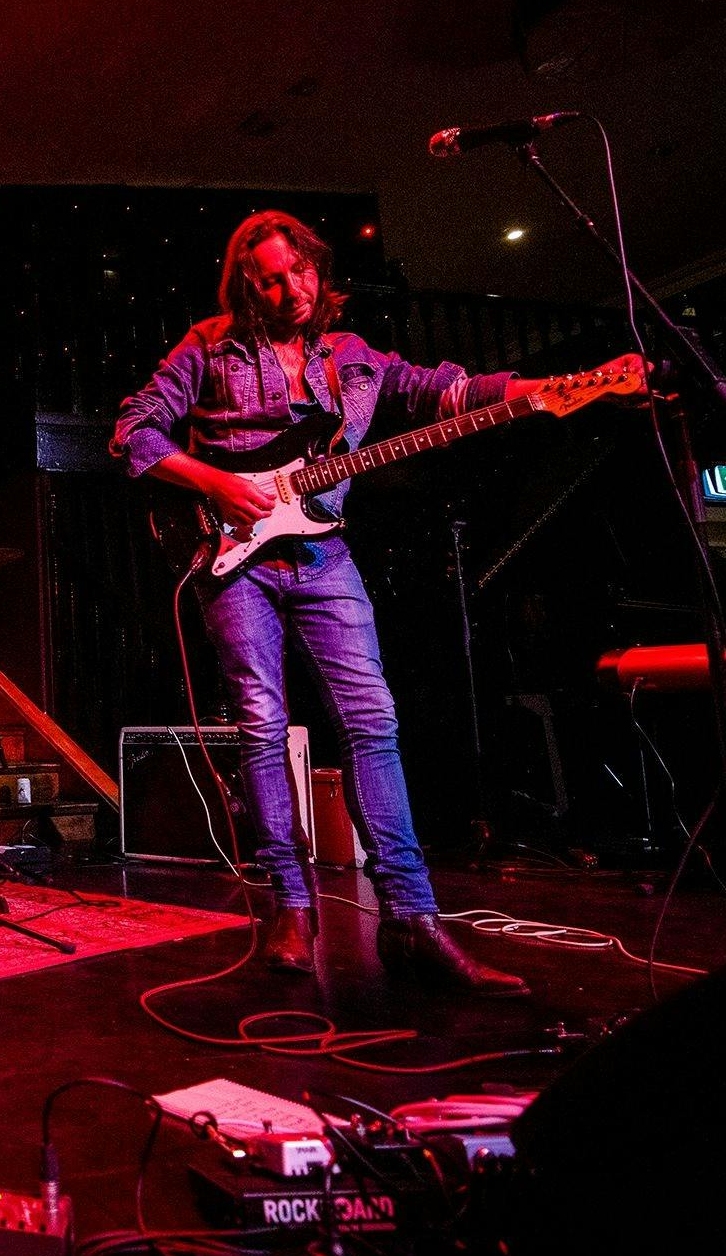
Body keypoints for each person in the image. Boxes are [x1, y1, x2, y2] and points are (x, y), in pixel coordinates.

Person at [115, 209, 634, 993]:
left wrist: (548, 390)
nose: (288, 289)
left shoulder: (352, 360)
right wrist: (220, 483)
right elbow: (133, 434)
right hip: (238, 560)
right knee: (260, 727)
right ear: (246, 287)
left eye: (299, 272)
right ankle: (291, 908)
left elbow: (447, 391)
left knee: (374, 723)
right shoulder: (208, 346)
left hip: (325, 555)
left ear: (318, 271)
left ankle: (414, 921)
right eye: (268, 279)